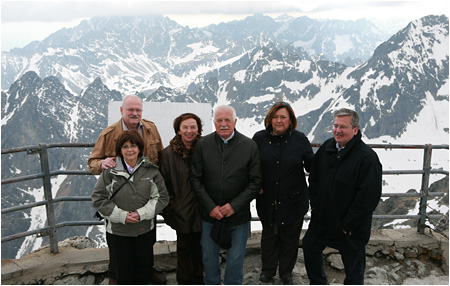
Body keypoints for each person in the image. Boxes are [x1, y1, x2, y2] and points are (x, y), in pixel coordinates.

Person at [88, 94, 167, 284]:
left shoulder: (151, 128)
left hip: (146, 197)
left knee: (146, 243)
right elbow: (92, 163)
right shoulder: (108, 134)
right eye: (130, 110)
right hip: (119, 203)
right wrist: (102, 163)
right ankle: (116, 276)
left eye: (138, 110)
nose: (134, 113)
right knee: (120, 252)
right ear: (122, 111)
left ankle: (146, 272)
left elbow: (162, 158)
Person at [302, 108, 382, 285]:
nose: (338, 130)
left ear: (355, 130)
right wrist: (315, 207)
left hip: (350, 228)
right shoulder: (327, 148)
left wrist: (347, 225)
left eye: (343, 127)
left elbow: (368, 198)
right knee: (309, 246)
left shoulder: (367, 157)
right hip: (322, 219)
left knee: (353, 269)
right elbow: (314, 180)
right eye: (336, 125)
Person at [190, 105, 262, 285]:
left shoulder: (249, 145)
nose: (223, 124)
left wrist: (234, 206)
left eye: (227, 120)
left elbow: (255, 182)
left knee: (236, 258)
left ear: (235, 121)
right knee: (208, 257)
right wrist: (210, 207)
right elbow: (195, 179)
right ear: (214, 123)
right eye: (219, 120)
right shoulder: (202, 144)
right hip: (209, 215)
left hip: (238, 216)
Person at [252, 102, 314, 285]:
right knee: (269, 235)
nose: (279, 121)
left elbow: (311, 164)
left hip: (293, 198)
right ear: (270, 119)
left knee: (290, 237)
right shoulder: (259, 138)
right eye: (275, 117)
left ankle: (286, 272)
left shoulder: (300, 139)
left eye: (283, 117)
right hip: (267, 197)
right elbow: (250, 164)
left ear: (291, 120)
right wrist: (257, 184)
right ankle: (267, 270)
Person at [159, 113, 204, 284]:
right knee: (184, 249)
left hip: (202, 209)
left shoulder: (205, 149)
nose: (189, 131)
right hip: (180, 211)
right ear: (178, 130)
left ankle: (199, 280)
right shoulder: (167, 154)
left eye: (193, 127)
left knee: (201, 248)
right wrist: (171, 207)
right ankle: (184, 282)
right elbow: (162, 184)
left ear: (198, 129)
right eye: (185, 127)